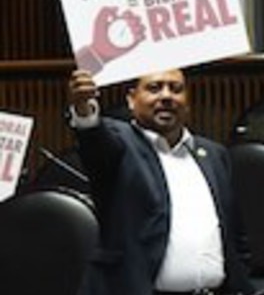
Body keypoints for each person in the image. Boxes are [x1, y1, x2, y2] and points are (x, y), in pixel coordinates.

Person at [67, 68, 253, 295]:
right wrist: (84, 109)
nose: (166, 96)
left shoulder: (214, 154)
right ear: (131, 100)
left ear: (188, 102)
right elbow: (94, 141)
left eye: (176, 89)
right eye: (154, 88)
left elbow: (235, 234)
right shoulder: (118, 144)